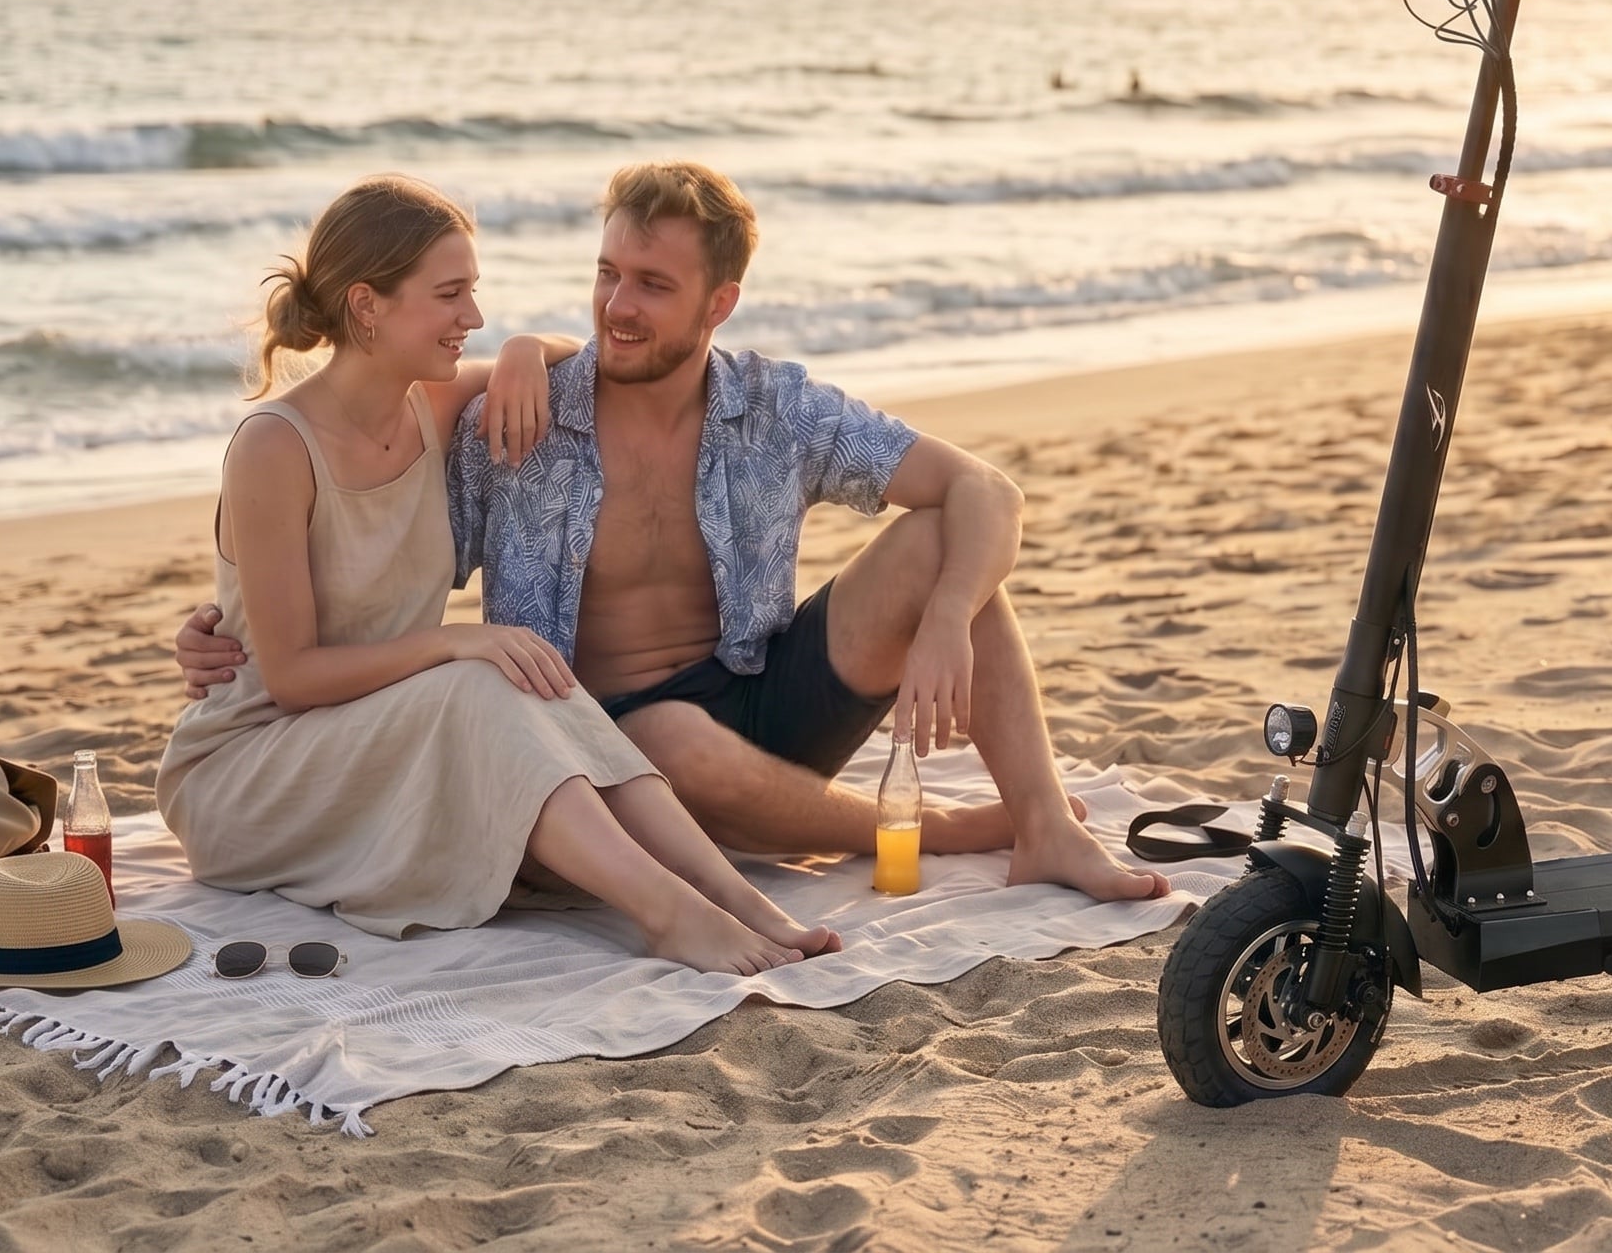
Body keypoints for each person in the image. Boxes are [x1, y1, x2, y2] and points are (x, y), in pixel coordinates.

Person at [180, 162, 1167, 905]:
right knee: (670, 738)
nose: (617, 306)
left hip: (765, 705)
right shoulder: (515, 423)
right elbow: (356, 529)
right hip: (599, 747)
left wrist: (949, 615)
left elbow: (985, 489)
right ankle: (929, 830)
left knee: (941, 542)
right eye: (608, 274)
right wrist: (220, 627)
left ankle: (1043, 825)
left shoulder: (774, 407)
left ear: (718, 303)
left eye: (652, 284)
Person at [161, 174, 836, 975]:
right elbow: (294, 678)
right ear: (367, 305)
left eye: (473, 293)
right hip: (254, 774)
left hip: (381, 739)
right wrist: (456, 643)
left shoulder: (436, 408)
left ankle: (738, 899)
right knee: (485, 669)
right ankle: (669, 915)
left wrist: (521, 353)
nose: (473, 318)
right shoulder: (273, 446)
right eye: (450, 295)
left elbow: (572, 357)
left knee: (532, 675)